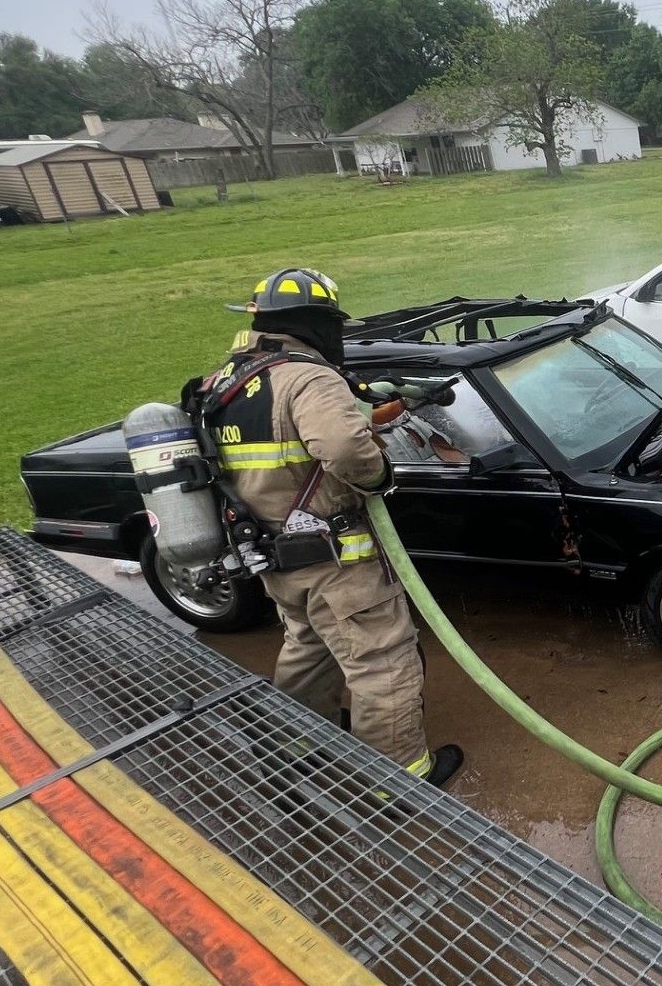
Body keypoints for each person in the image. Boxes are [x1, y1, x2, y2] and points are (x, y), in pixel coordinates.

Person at [193, 268, 462, 787]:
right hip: (337, 560)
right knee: (382, 664)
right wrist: (380, 473)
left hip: (272, 552)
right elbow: (342, 449)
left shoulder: (228, 381)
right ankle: (400, 782)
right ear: (317, 323)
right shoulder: (309, 378)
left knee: (308, 646)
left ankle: (299, 744)